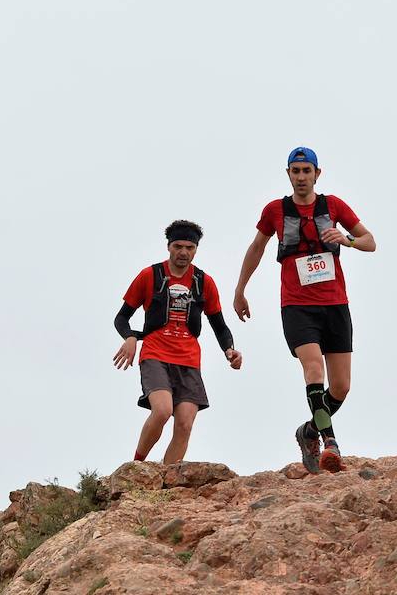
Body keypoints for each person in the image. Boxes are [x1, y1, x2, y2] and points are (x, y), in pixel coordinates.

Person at [233, 146, 376, 474]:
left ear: (316, 174)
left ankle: (308, 432)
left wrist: (346, 240)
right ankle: (330, 443)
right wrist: (240, 290)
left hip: (335, 304)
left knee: (341, 387)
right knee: (314, 370)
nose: (301, 177)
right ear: (288, 174)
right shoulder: (275, 211)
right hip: (297, 306)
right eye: (295, 171)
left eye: (306, 171)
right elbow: (257, 247)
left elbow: (370, 241)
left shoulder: (334, 206)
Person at [113, 220, 242, 464]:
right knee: (162, 411)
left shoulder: (204, 282)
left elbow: (219, 325)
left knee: (184, 423)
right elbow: (121, 317)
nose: (183, 252)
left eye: (189, 247)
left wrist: (230, 350)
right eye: (178, 246)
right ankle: (137, 467)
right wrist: (130, 336)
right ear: (168, 247)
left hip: (188, 358)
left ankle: (166, 480)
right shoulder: (150, 275)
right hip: (155, 353)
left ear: (196, 249)